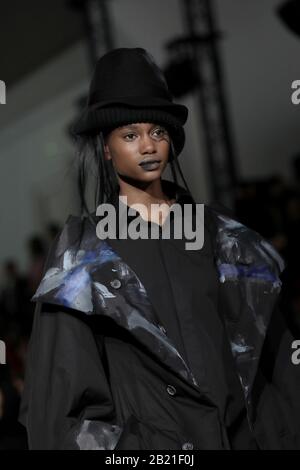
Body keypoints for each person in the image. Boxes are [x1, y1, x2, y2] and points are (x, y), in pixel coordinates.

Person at [19, 47, 300, 450]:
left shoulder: (223, 235)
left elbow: (279, 367)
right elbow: (58, 408)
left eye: (158, 132)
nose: (148, 146)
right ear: (106, 147)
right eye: (130, 135)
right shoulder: (84, 256)